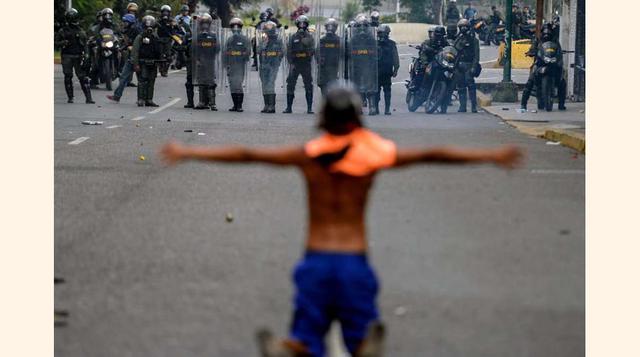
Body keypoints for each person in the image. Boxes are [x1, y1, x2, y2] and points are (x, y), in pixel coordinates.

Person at [159, 86, 523, 357]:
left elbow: (247, 154)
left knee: (307, 336)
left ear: (323, 119)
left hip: (316, 261)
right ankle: (361, 344)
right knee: (360, 337)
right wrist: (490, 155)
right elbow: (433, 154)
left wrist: (189, 151)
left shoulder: (308, 156)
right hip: (353, 262)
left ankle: (297, 346)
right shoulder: (374, 153)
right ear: (357, 116)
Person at [520, 23, 566, 111]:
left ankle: (561, 104)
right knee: (530, 81)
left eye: (548, 32)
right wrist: (531, 52)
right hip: (540, 63)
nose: (547, 34)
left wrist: (559, 56)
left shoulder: (555, 41)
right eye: (545, 32)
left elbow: (559, 51)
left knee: (562, 82)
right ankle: (523, 104)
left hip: (553, 64)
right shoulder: (538, 40)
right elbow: (533, 48)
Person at [55, 8, 95, 104]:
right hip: (67, 55)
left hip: (78, 56)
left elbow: (85, 44)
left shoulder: (80, 30)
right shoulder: (63, 31)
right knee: (68, 76)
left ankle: (88, 98)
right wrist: (63, 43)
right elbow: (56, 43)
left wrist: (86, 55)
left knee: (83, 77)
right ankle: (70, 97)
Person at [284, 15, 316, 114]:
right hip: (295, 64)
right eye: (300, 23)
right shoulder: (293, 37)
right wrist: (290, 63)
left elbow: (312, 49)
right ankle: (289, 107)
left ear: (306, 25)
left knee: (308, 85)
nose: (302, 25)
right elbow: (289, 51)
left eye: (304, 24)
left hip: (306, 64)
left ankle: (309, 108)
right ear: (297, 25)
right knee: (290, 84)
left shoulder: (310, 37)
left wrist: (304, 39)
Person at [107, 14, 141, 103]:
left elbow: (132, 44)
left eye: (126, 22)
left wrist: (123, 47)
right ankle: (117, 96)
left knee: (141, 79)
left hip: (137, 58)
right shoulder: (127, 30)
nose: (124, 23)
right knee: (123, 77)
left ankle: (141, 99)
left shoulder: (136, 31)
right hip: (131, 57)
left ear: (130, 22)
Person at [348, 15, 378, 115]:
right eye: (359, 26)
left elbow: (375, 53)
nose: (362, 28)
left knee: (370, 87)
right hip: (356, 66)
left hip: (368, 66)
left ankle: (372, 107)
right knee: (357, 88)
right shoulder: (353, 39)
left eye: (364, 26)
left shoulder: (371, 39)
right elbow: (349, 53)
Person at [192, 13, 221, 111]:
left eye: (206, 23)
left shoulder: (213, 35)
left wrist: (210, 52)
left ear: (210, 24)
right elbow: (195, 50)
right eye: (203, 23)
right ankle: (202, 102)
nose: (205, 25)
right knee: (201, 82)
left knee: (210, 82)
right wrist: (198, 59)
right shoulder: (198, 36)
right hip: (201, 61)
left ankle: (212, 103)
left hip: (210, 61)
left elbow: (217, 49)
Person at [131, 15, 162, 107]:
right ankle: (141, 99)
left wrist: (160, 61)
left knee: (151, 80)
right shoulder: (140, 37)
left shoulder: (155, 37)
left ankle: (149, 99)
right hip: (143, 62)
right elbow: (135, 51)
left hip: (153, 62)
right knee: (142, 80)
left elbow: (159, 50)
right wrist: (136, 64)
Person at [223, 17, 251, 112]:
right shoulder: (229, 40)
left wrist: (241, 56)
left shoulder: (245, 39)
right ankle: (235, 105)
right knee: (232, 85)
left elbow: (248, 52)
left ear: (241, 27)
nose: (235, 28)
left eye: (238, 26)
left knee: (238, 85)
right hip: (231, 65)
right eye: (233, 26)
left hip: (240, 65)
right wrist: (225, 65)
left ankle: (239, 106)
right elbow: (225, 53)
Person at [453, 19, 480, 113]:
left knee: (471, 85)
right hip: (459, 65)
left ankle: (473, 106)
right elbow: (453, 50)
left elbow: (476, 55)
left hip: (469, 64)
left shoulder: (473, 40)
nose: (463, 29)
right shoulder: (458, 39)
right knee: (460, 86)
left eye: (465, 27)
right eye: (461, 27)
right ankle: (462, 106)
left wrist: (474, 67)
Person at [257, 21, 284, 113]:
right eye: (266, 30)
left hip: (273, 65)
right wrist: (264, 42)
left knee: (270, 84)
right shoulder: (263, 40)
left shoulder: (278, 40)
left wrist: (277, 62)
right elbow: (258, 51)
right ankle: (266, 105)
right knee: (264, 85)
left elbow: (282, 53)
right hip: (263, 66)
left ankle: (272, 106)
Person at [375, 25, 399, 116]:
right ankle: (376, 108)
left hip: (386, 71)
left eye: (382, 33)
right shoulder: (375, 43)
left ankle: (387, 108)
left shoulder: (391, 44)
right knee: (376, 91)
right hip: (377, 71)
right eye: (379, 33)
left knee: (387, 91)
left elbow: (395, 57)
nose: (380, 35)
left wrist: (396, 69)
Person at [316, 18, 342, 97]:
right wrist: (320, 61)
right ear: (325, 27)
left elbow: (342, 53)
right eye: (329, 26)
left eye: (332, 26)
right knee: (323, 84)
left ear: (336, 27)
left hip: (334, 66)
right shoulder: (322, 40)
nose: (330, 28)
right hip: (324, 66)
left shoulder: (339, 40)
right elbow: (317, 52)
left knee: (333, 84)